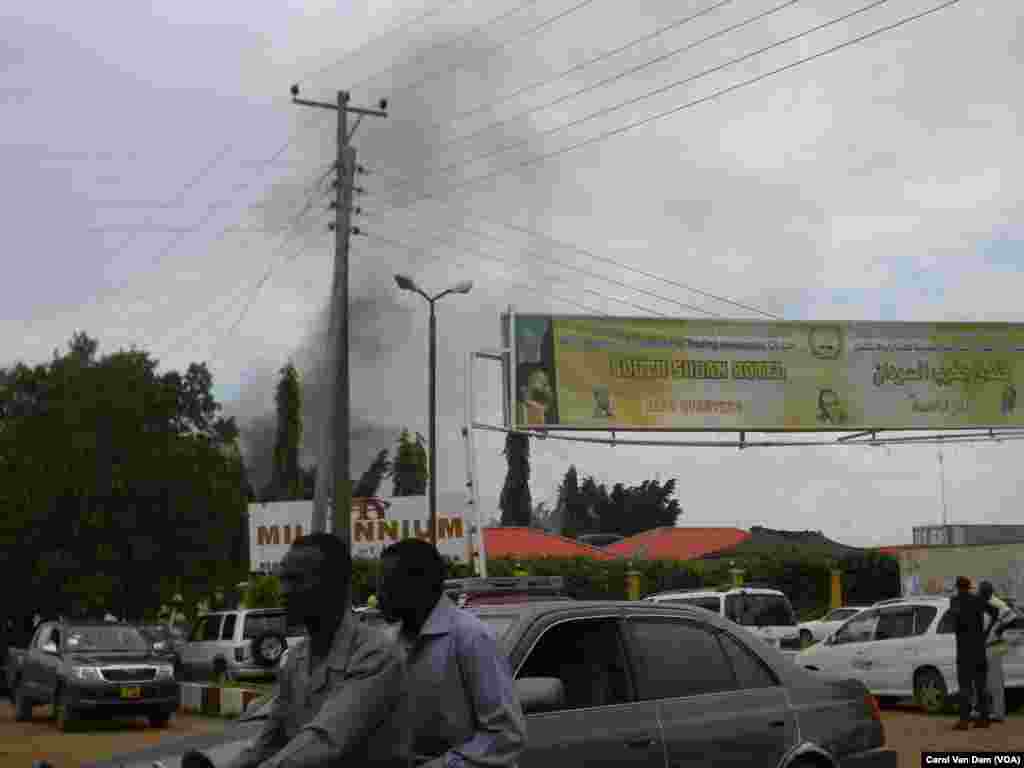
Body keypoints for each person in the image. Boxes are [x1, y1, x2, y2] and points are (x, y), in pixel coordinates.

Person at [212, 532, 407, 768]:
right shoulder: (295, 659)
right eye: (282, 580)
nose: (283, 591)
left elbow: (325, 739)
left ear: (334, 586)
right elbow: (270, 744)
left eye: (295, 580)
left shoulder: (376, 654)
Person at [378, 539, 526, 768]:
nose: (379, 594)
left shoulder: (471, 638)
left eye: (388, 584)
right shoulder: (387, 642)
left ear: (420, 584)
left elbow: (505, 735)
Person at [949, 576, 998, 730]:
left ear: (957, 587)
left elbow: (955, 621)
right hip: (979, 650)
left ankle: (964, 721)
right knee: (981, 686)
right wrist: (986, 631)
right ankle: (984, 720)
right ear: (969, 587)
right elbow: (995, 612)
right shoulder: (977, 600)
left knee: (965, 687)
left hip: (964, 651)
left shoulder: (955, 601)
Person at [978, 581, 1014, 722]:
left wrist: (998, 629)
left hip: (995, 645)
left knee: (996, 681)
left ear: (988, 592)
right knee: (988, 681)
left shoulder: (996, 602)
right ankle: (993, 711)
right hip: (989, 645)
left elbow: (1011, 617)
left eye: (982, 591)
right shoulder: (987, 603)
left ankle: (999, 714)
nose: (981, 594)